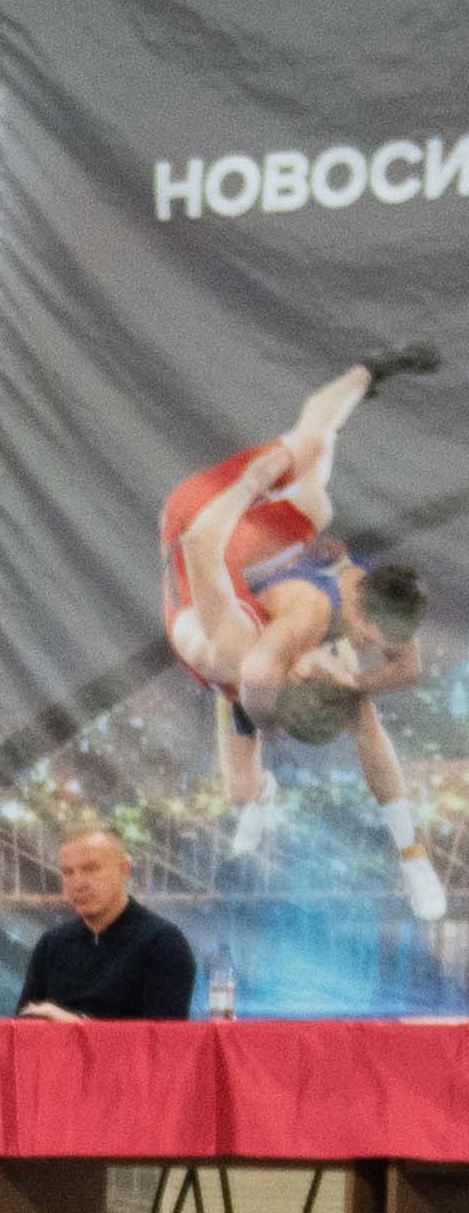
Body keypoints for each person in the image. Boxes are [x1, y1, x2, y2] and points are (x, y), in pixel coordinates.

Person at [159, 348, 443, 920]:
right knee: (245, 771)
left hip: (252, 564)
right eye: (368, 640)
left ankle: (412, 855)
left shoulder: (373, 594)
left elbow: (407, 667)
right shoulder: (277, 633)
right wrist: (248, 485)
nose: (371, 649)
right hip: (208, 562)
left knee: (315, 445)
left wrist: (353, 683)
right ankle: (261, 796)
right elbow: (202, 549)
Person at [16, 829, 195, 1022]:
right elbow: (23, 1024)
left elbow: (165, 1037)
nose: (78, 884)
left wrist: (76, 1026)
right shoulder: (52, 945)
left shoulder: (163, 944)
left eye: (91, 869)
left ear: (123, 870)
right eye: (68, 873)